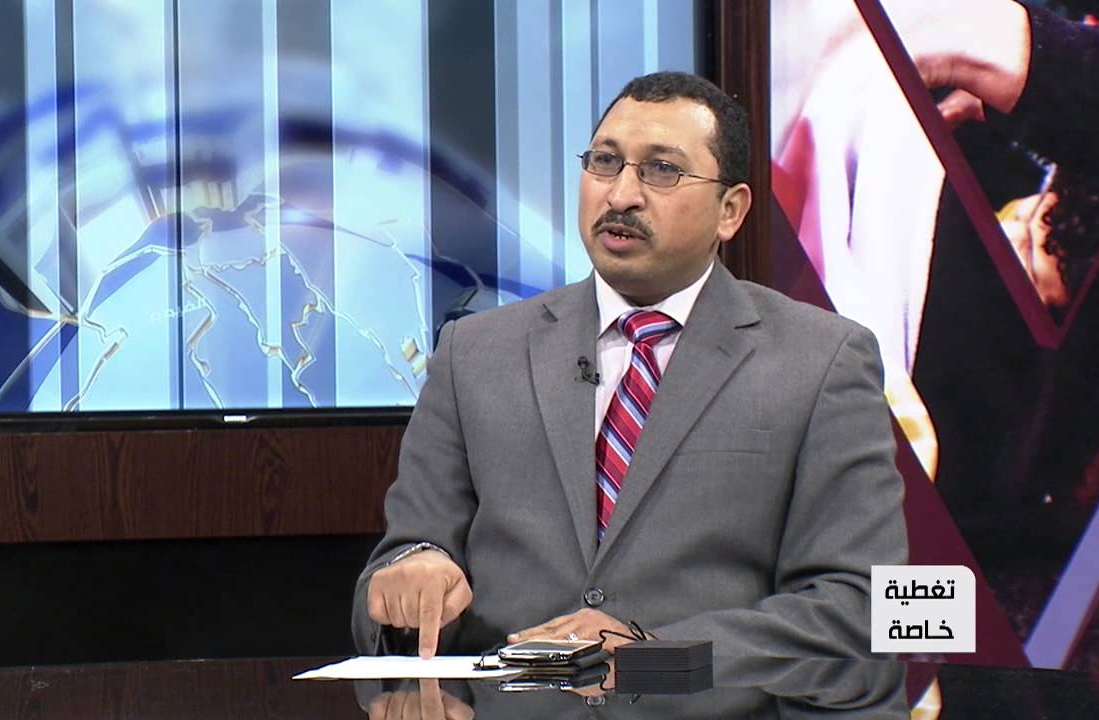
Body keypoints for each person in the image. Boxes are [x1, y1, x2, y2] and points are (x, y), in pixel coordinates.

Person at [351, 71, 908, 661]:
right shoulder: (473, 353)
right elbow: (393, 574)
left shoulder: (821, 362)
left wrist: (656, 657)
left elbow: (861, 605)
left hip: (709, 700)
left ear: (730, 210)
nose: (620, 196)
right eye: (604, 162)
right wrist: (413, 579)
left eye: (662, 170)